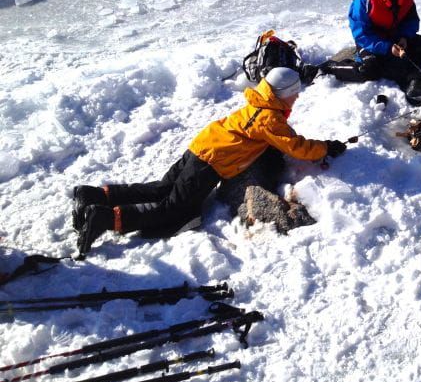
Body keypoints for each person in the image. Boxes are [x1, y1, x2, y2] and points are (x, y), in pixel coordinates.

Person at [73, 67, 347, 257]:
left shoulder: (260, 104)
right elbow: (297, 146)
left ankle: (95, 194)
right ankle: (105, 218)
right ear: (284, 93)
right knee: (174, 209)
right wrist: (326, 148)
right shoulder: (270, 118)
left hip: (201, 147)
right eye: (295, 93)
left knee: (161, 188)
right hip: (210, 164)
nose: (297, 97)